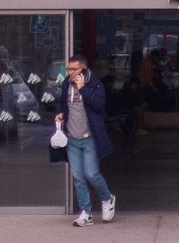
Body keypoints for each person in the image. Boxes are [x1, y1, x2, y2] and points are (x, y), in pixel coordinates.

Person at [56, 54, 117, 227]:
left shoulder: (94, 83)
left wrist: (83, 89)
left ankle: (107, 198)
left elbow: (99, 105)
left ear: (83, 68)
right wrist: (61, 114)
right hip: (72, 138)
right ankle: (86, 212)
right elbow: (63, 103)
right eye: (68, 69)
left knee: (91, 173)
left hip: (89, 137)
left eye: (74, 69)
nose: (70, 72)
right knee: (78, 177)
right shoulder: (66, 83)